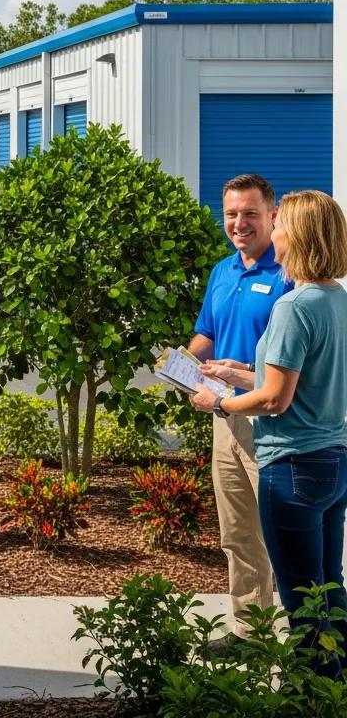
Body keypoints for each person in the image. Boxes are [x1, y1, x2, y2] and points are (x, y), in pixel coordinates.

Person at [192, 190, 347, 676]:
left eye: (277, 223)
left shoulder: (293, 305)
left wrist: (217, 399)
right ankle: (334, 680)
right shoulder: (335, 298)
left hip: (291, 461)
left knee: (301, 593)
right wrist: (241, 372)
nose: (270, 231)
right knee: (326, 584)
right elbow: (296, 379)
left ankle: (309, 694)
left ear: (294, 235)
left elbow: (275, 400)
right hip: (331, 456)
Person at [188, 174, 290, 653]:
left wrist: (242, 373)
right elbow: (206, 334)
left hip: (271, 421)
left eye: (250, 213)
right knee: (238, 533)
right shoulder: (223, 271)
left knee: (283, 534)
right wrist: (187, 367)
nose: (240, 223)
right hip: (224, 418)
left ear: (272, 215)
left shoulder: (288, 273)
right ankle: (251, 632)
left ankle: (310, 634)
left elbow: (290, 363)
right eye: (232, 214)